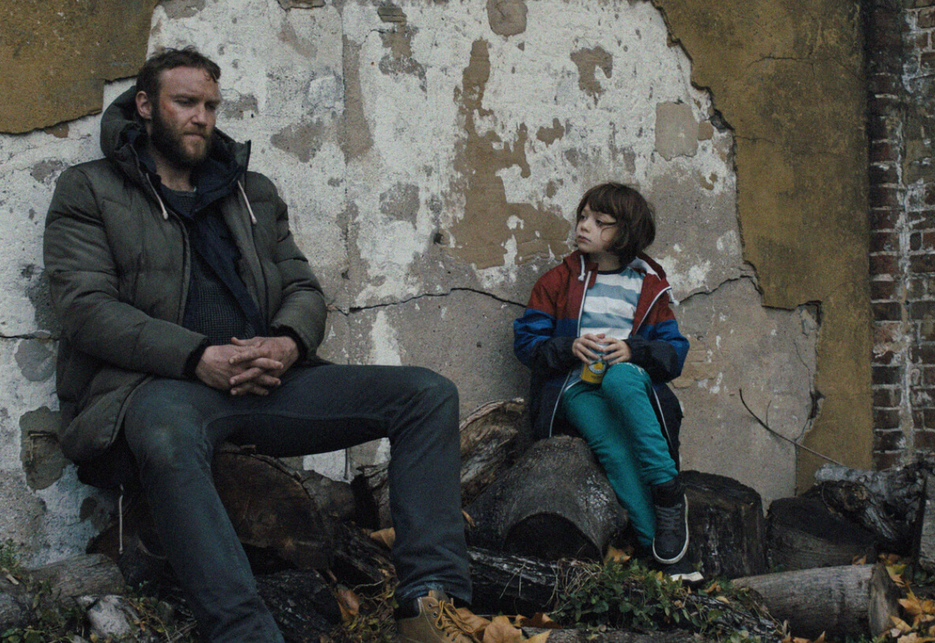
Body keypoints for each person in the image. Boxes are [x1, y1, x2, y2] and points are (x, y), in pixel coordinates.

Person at [42, 47, 472, 643]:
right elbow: (86, 309)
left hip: (268, 382)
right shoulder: (89, 189)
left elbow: (302, 287)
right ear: (145, 105)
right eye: (185, 102)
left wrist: (289, 343)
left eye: (211, 106)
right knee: (166, 436)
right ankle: (245, 633)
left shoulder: (250, 192)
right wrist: (198, 356)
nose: (201, 117)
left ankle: (431, 607)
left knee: (426, 394)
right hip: (161, 387)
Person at [512, 182, 697, 580]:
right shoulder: (557, 281)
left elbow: (674, 352)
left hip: (628, 382)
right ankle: (660, 555)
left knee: (621, 379)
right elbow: (526, 343)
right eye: (583, 217)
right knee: (613, 449)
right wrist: (568, 347)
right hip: (574, 387)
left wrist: (633, 350)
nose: (584, 226)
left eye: (600, 222)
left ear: (626, 231)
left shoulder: (649, 285)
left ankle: (667, 490)